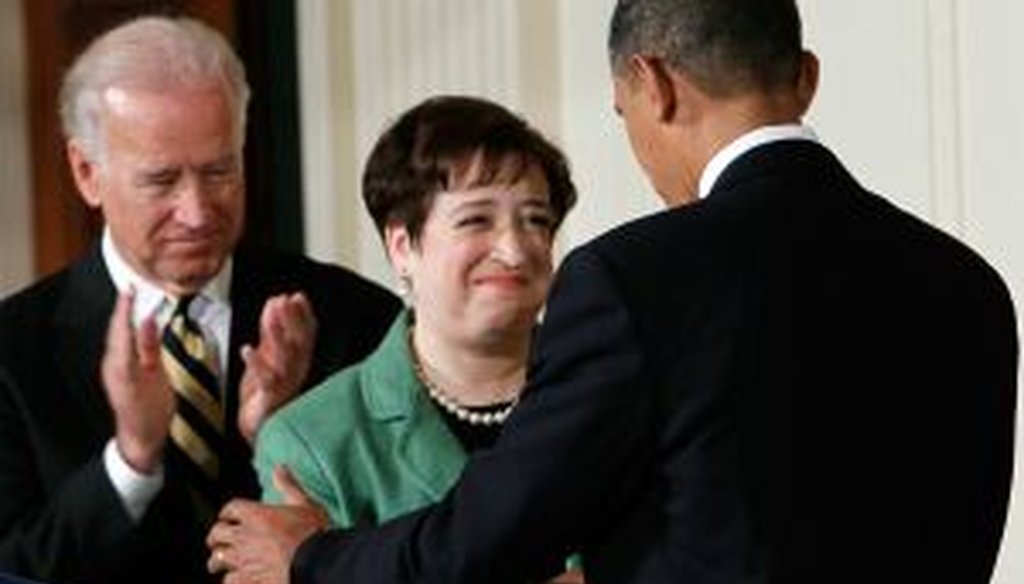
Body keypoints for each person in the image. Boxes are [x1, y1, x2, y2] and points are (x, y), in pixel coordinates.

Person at [208, 1, 1019, 583]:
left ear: (654, 83)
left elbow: (490, 543)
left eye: (621, 109)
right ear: (803, 79)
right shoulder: (968, 286)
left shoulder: (634, 279)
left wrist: (312, 558)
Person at [0, 15, 400, 584]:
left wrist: (282, 436)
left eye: (219, 172)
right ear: (87, 172)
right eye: (161, 181)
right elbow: (17, 564)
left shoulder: (352, 317)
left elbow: (414, 538)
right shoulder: (13, 353)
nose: (197, 211)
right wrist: (133, 457)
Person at [207, 96, 582, 583]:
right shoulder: (312, 442)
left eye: (536, 220)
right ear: (401, 245)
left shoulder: (613, 390)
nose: (514, 250)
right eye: (476, 220)